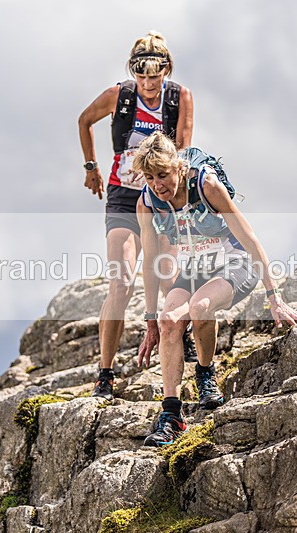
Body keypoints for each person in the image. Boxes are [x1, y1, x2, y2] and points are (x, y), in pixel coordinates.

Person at [133, 132, 297, 447]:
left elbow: (249, 236)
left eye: (163, 175)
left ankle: (205, 372)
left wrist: (274, 296)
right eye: (149, 177)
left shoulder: (206, 185)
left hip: (236, 264)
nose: (158, 184)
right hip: (195, 271)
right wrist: (149, 318)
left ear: (178, 168)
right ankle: (172, 416)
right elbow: (150, 263)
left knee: (200, 308)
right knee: (168, 321)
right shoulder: (146, 202)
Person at [77, 32, 194, 402]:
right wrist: (91, 167)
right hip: (124, 198)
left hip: (162, 196)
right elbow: (84, 120)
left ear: (166, 72)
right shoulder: (119, 96)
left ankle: (183, 337)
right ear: (132, 72)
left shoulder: (180, 98)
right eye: (141, 77)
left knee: (167, 274)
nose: (147, 85)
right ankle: (105, 373)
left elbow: (184, 151)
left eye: (154, 78)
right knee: (122, 281)